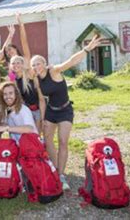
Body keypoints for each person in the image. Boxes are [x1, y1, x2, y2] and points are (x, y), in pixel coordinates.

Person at [30, 34, 103, 190]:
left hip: (64, 110)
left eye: (38, 63)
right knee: (48, 140)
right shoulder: (36, 79)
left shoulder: (54, 71)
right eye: (33, 65)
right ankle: (54, 168)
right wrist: (42, 119)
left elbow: (71, 62)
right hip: (50, 111)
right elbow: (42, 100)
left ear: (44, 63)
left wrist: (86, 49)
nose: (36, 67)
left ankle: (61, 175)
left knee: (63, 141)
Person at [10, 55, 46, 133]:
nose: (15, 65)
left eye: (18, 63)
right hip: (27, 110)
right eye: (13, 63)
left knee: (37, 134)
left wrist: (42, 117)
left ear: (23, 64)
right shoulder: (13, 78)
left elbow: (27, 53)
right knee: (30, 134)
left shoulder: (29, 74)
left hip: (38, 108)